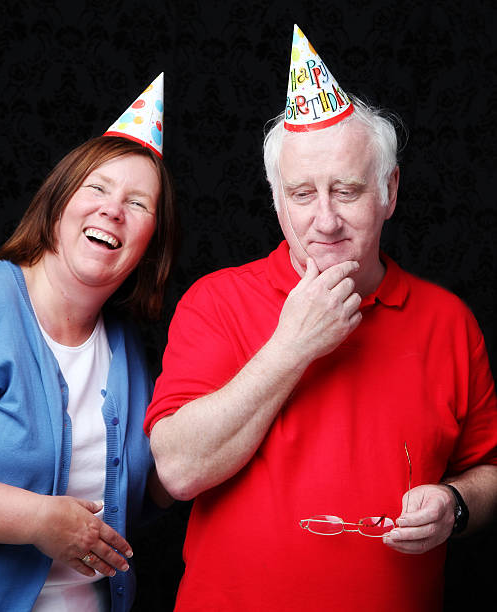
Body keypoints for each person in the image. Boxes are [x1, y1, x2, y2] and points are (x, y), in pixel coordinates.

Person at [144, 27, 497, 612]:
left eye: (348, 190)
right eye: (302, 194)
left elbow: (488, 471)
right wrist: (293, 345)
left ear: (389, 190)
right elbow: (178, 470)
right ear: (277, 199)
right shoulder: (216, 301)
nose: (325, 221)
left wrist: (456, 504)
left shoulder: (449, 322)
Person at [0, 73, 176, 612]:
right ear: (58, 203)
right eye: (97, 188)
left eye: (139, 204)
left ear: (150, 245)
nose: (113, 210)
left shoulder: (129, 351)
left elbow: (153, 491)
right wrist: (37, 520)